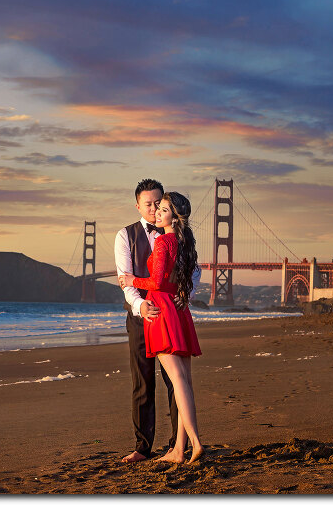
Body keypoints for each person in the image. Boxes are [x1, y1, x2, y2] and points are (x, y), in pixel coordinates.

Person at [114, 180, 200, 463]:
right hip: (141, 316)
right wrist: (141, 305)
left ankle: (180, 445)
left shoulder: (171, 237)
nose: (153, 209)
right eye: (148, 204)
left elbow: (193, 271)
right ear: (137, 205)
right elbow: (126, 281)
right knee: (143, 383)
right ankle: (143, 447)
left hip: (167, 314)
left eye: (158, 203)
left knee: (176, 382)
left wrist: (185, 293)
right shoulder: (125, 236)